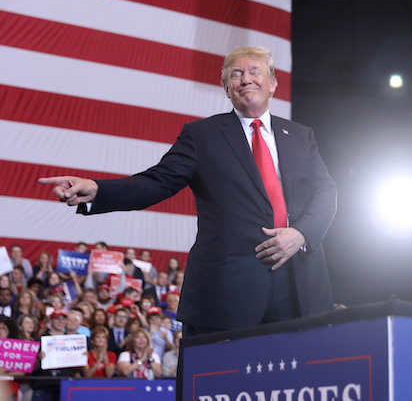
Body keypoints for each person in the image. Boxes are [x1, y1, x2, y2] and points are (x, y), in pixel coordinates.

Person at [40, 46, 337, 337]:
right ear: (226, 88)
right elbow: (156, 183)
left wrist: (301, 234)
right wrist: (96, 190)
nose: (246, 79)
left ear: (272, 83)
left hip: (299, 287)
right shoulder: (202, 135)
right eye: (236, 74)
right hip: (228, 293)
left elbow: (326, 191)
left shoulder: (300, 135)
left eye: (254, 71)